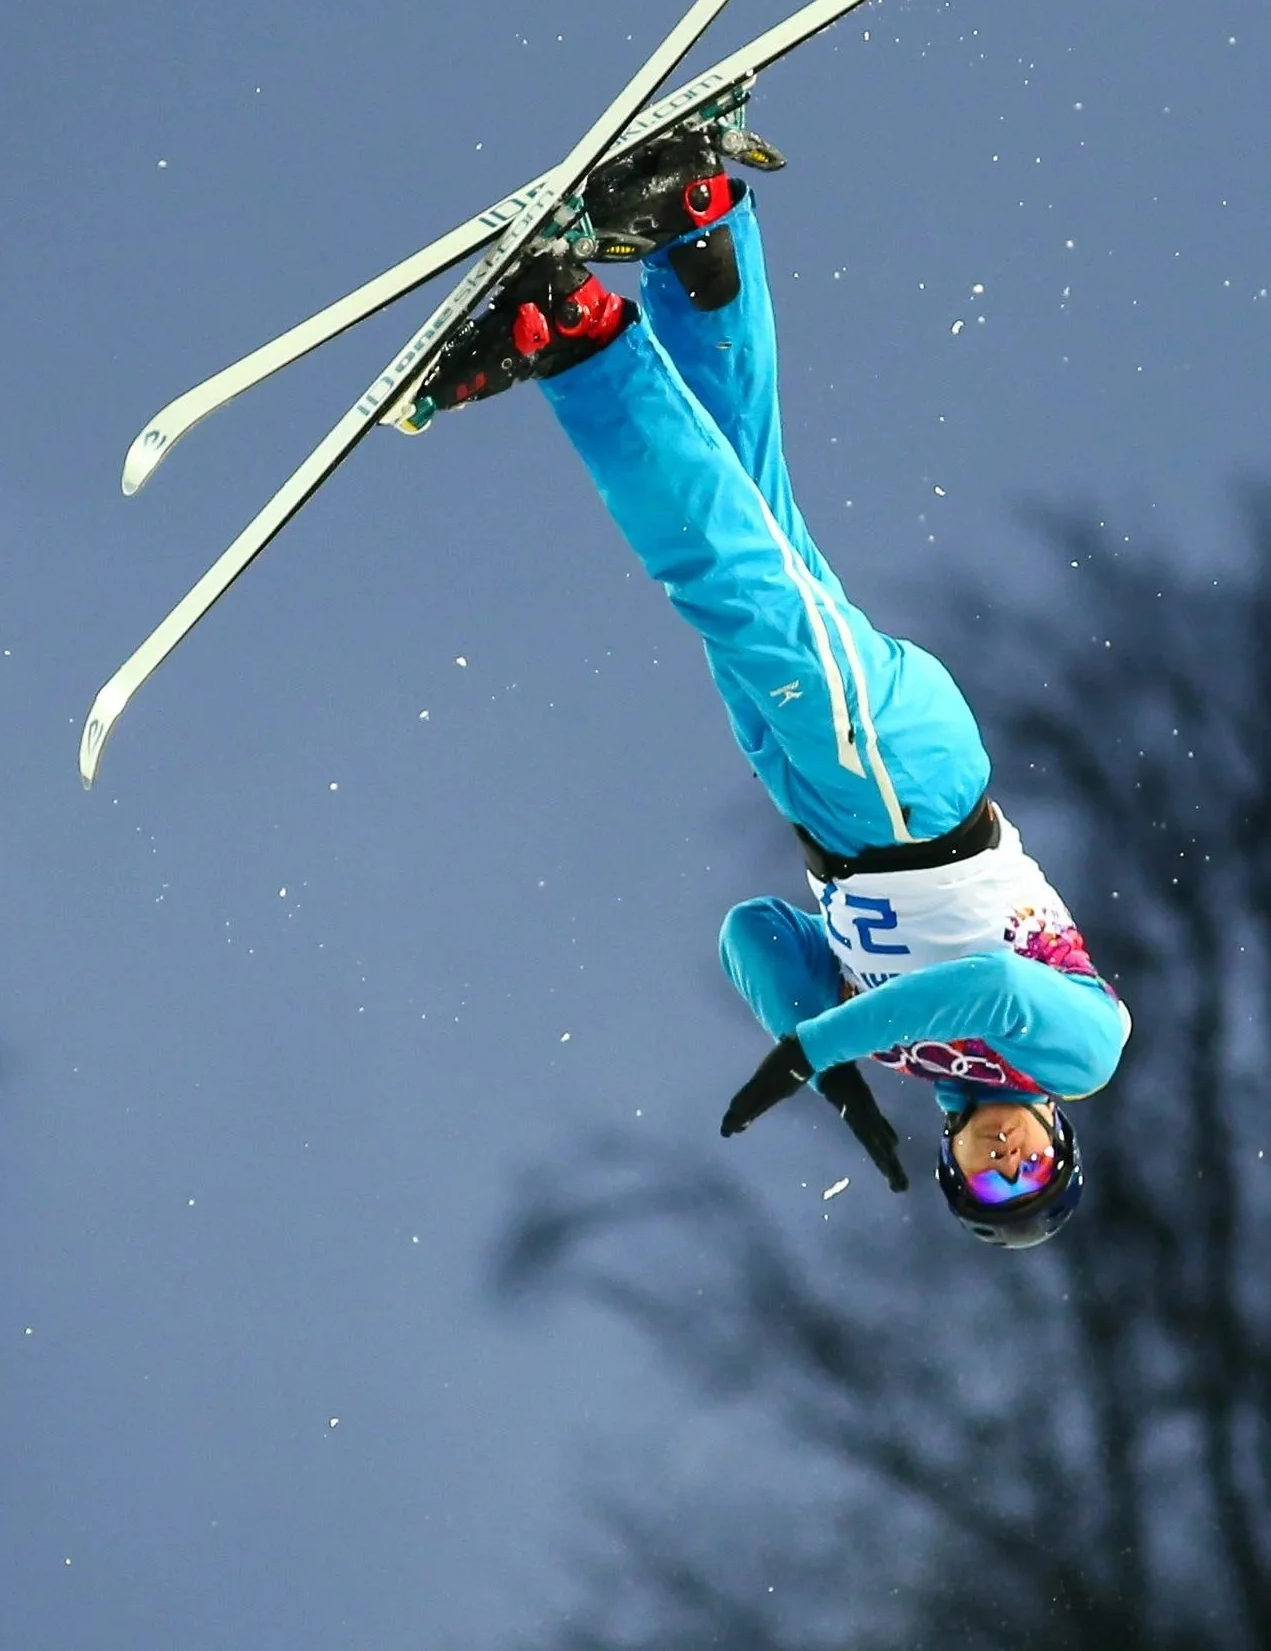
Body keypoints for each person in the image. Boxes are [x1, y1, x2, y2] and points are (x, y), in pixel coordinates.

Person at [414, 125, 1132, 1248]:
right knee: (722, 577)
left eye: (991, 1187)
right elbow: (992, 990)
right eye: (1033, 1169)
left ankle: (695, 227)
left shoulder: (905, 1054)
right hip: (910, 793)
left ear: (949, 1164)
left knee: (751, 515)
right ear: (1057, 1134)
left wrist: (828, 1053)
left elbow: (752, 933)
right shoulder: (1080, 1055)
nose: (1008, 1163)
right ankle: (572, 334)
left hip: (820, 799)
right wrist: (817, 1050)